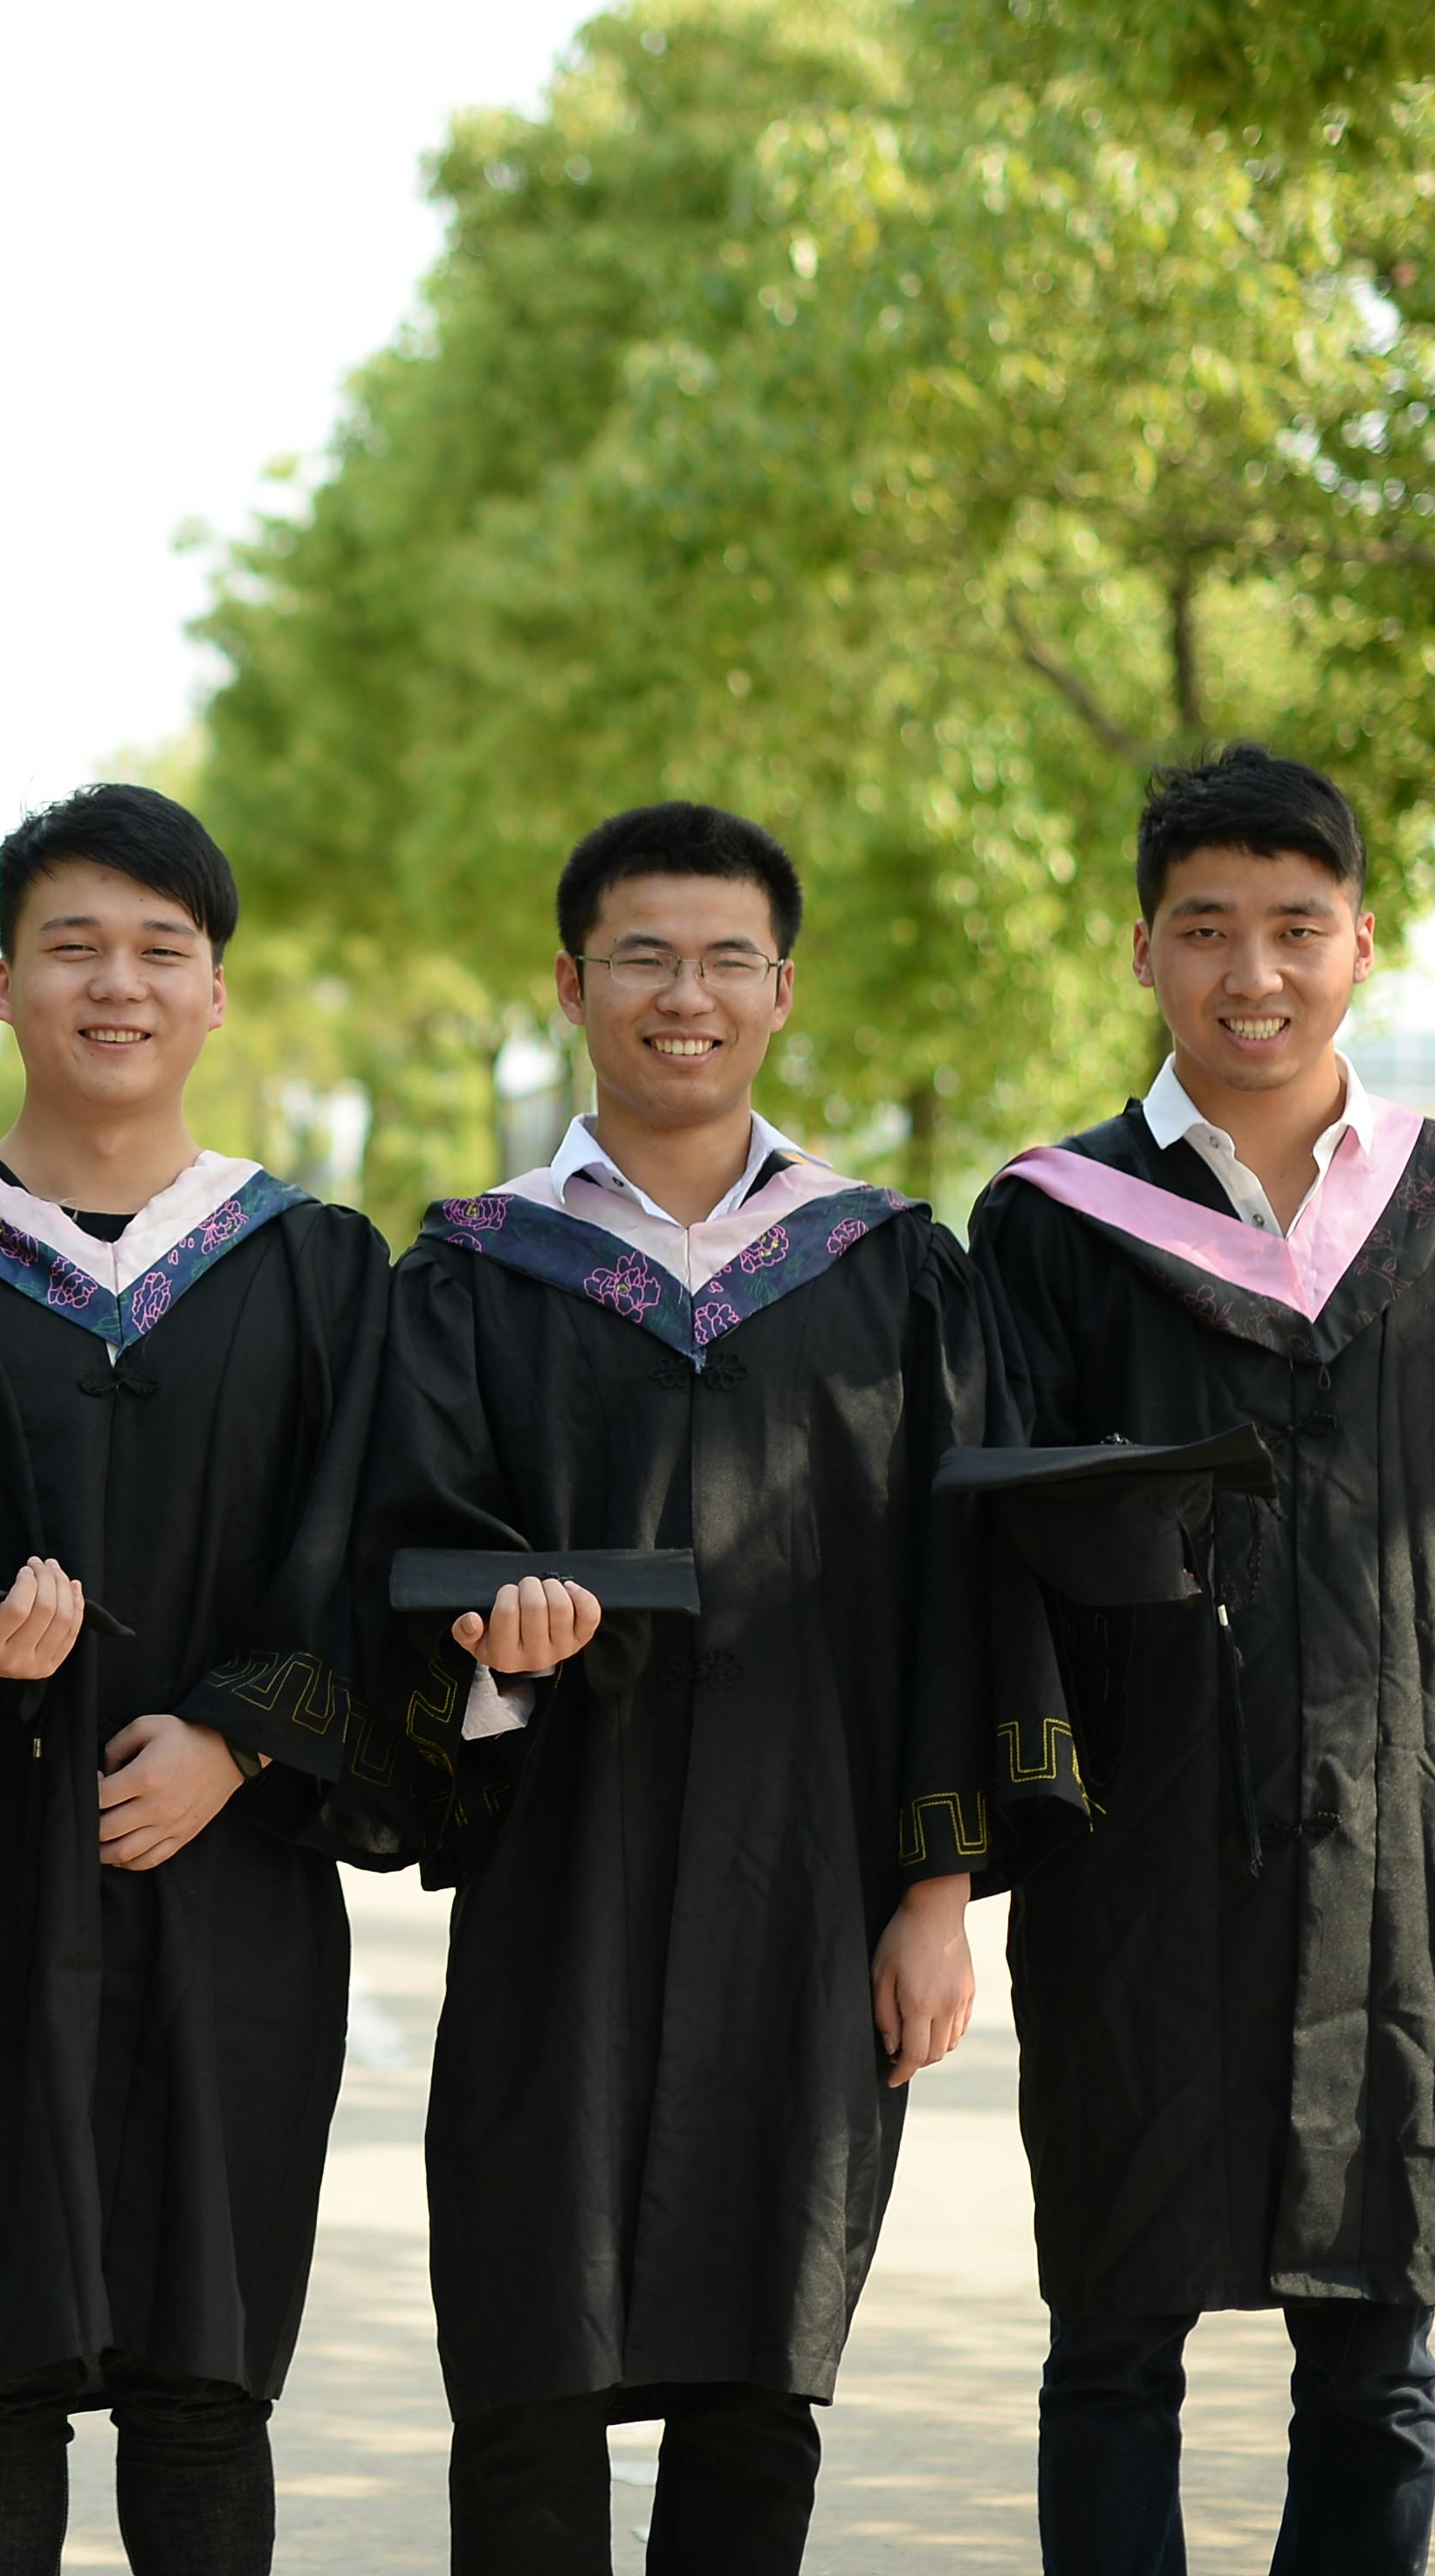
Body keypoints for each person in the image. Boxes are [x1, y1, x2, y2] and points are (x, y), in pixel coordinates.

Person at [966, 746, 1435, 2576]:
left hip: (1395, 1828)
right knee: (1114, 2335)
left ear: (1360, 945)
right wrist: (979, 1831)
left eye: (1295, 928)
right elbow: (982, 1555)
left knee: (1376, 2349)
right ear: (1140, 947)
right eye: (1208, 930)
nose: (1254, 973)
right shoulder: (1050, 1224)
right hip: (1132, 1841)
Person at [364, 801, 995, 2576]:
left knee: (755, 2379)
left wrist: (933, 1890)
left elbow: (961, 1598)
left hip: (806, 1881)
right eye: (642, 954)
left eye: (725, 958)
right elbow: (406, 1550)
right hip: (556, 1863)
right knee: (526, 2362)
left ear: (780, 990)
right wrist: (487, 1663)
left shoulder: (887, 1273)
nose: (684, 994)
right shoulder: (475, 1268)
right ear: (572, 982)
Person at [0, 784, 389, 2576]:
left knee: (204, 2382)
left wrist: (239, 1733)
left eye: (158, 950)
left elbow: (367, 1561)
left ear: (214, 991)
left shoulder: (313, 1268)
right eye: (73, 945)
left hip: (230, 1897)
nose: (113, 983)